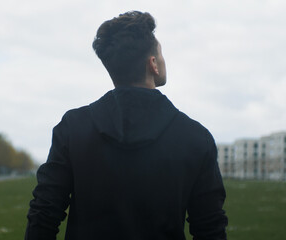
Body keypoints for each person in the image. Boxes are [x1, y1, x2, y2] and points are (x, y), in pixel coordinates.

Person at [25, 11, 228, 240]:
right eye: (160, 54)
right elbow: (210, 229)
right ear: (153, 65)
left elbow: (44, 215)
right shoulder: (195, 138)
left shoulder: (72, 128)